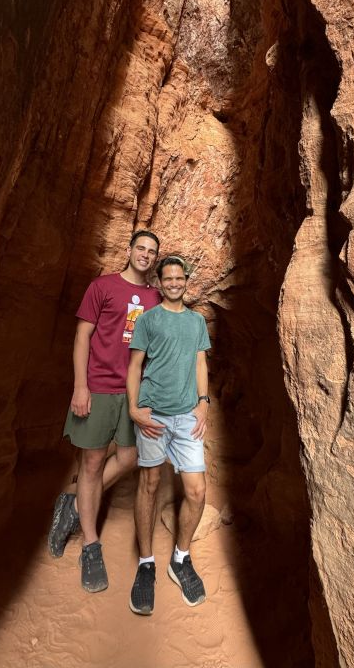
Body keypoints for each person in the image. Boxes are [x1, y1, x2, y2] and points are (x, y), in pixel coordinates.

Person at [47, 230, 161, 593]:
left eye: (151, 251)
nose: (145, 254)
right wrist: (80, 386)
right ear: (129, 250)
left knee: (130, 457)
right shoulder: (102, 287)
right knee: (93, 463)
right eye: (140, 248)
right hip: (97, 387)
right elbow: (82, 336)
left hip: (132, 392)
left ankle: (74, 504)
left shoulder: (155, 298)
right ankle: (91, 545)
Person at [126, 255, 211, 616]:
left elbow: (200, 362)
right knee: (149, 484)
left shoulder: (196, 321)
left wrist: (204, 402)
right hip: (154, 415)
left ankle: (180, 558)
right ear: (159, 283)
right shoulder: (148, 319)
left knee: (197, 490)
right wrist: (134, 409)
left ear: (186, 281)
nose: (175, 283)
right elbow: (134, 366)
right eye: (169, 278)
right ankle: (146, 564)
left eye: (180, 278)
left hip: (187, 416)